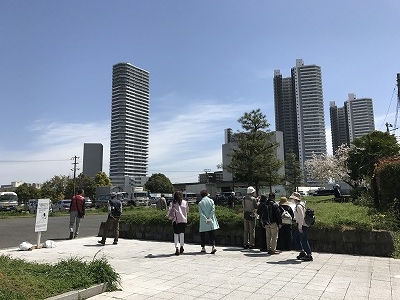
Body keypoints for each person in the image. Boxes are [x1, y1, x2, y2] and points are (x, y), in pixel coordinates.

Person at [291, 192, 313, 261]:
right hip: (302, 224)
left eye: (293, 198)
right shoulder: (301, 205)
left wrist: (300, 227)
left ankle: (309, 254)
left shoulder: (299, 206)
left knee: (303, 240)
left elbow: (301, 217)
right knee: (296, 238)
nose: (292, 200)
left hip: (302, 225)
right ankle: (302, 252)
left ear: (295, 199)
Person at [167, 191, 189, 255]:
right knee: (182, 234)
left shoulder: (173, 203)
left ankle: (177, 248)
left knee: (176, 234)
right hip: (183, 220)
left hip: (175, 221)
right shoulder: (185, 202)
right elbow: (187, 210)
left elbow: (169, 211)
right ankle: (182, 246)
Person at [198, 189, 219, 254]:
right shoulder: (211, 201)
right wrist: (209, 218)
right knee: (212, 234)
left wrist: (205, 219)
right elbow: (213, 210)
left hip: (203, 221)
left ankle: (203, 247)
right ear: (207, 194)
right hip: (211, 219)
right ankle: (213, 246)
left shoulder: (200, 203)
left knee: (202, 234)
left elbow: (201, 213)